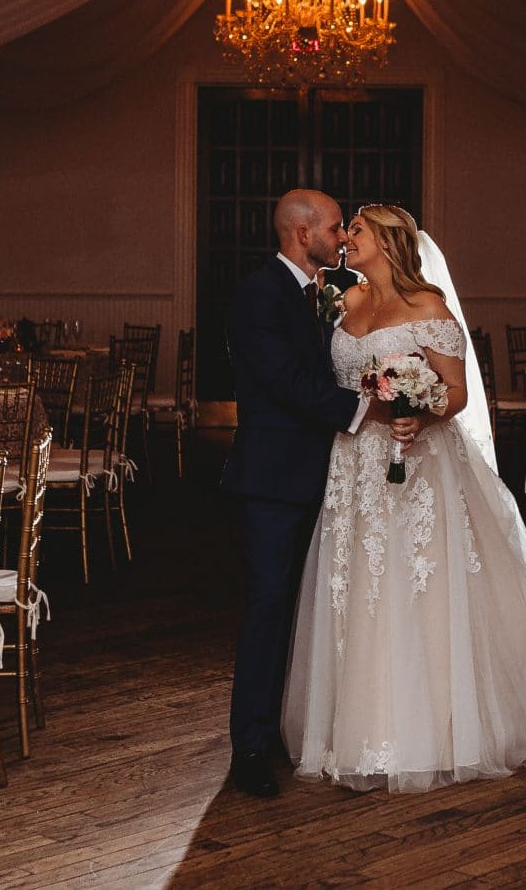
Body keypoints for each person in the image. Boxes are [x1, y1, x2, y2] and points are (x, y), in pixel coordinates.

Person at [283, 203, 526, 792]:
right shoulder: (346, 303)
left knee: (415, 587)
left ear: (389, 243)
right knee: (357, 585)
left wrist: (419, 417)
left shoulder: (430, 309)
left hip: (418, 466)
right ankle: (357, 726)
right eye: (346, 229)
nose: (346, 238)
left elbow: (457, 393)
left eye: (357, 230)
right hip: (353, 465)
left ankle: (434, 730)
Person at [221, 189, 377, 799]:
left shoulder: (317, 294)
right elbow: (286, 382)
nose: (342, 238)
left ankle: (294, 727)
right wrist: (371, 408)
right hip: (273, 480)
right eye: (336, 228)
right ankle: (250, 746)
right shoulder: (259, 294)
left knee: (313, 606)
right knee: (268, 607)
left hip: (326, 475)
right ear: (303, 233)